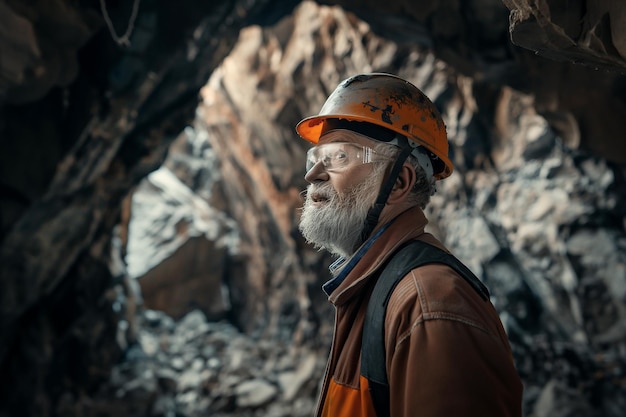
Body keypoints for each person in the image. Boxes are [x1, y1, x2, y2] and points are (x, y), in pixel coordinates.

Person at [296, 73, 523, 417]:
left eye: (339, 157)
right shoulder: (376, 287)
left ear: (399, 182)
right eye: (315, 159)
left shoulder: (429, 304)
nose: (312, 175)